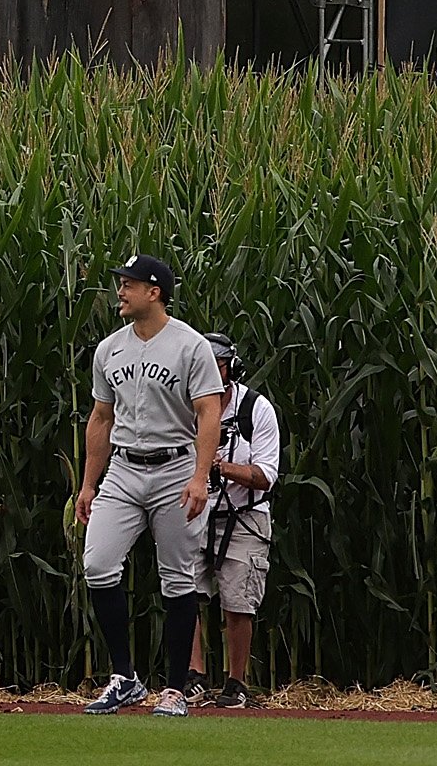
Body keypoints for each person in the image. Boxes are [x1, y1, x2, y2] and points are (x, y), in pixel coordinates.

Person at [75, 253, 226, 717]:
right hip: (123, 467)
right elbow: (101, 418)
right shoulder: (110, 349)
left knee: (178, 579)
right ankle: (125, 678)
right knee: (98, 564)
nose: (120, 291)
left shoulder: (189, 346)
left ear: (154, 291)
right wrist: (88, 484)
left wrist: (200, 478)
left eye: (129, 284)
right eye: (121, 282)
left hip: (174, 469)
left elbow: (208, 412)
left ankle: (176, 688)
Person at [189, 334, 280, 710]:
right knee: (185, 593)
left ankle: (236, 681)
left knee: (238, 600)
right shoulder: (185, 407)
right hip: (195, 509)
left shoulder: (256, 410)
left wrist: (221, 467)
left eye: (220, 365)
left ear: (231, 368)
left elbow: (266, 474)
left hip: (244, 515)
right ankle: (192, 675)